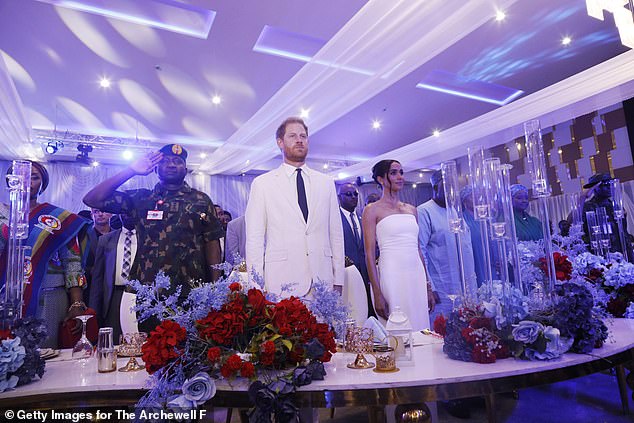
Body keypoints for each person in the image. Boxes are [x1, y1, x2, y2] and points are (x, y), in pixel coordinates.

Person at [82, 144, 224, 310]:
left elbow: (212, 243)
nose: (171, 164)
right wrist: (131, 170)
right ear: (155, 169)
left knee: (192, 337)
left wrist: (215, 288)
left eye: (177, 161)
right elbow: (92, 199)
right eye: (166, 161)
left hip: (192, 291)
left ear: (185, 170)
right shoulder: (141, 198)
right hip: (150, 292)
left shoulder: (201, 200)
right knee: (148, 337)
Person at [245, 117, 344, 297]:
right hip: (281, 282)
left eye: (303, 136)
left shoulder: (326, 182)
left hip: (323, 281)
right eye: (292, 136)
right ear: (280, 142)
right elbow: (254, 239)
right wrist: (256, 286)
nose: (299, 140)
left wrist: (338, 279)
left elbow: (336, 234)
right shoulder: (263, 184)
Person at [0, 161, 90, 348]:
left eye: (34, 177)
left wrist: (77, 303)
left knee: (45, 357)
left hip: (48, 297)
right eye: (21, 177)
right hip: (5, 297)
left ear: (43, 184)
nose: (27, 182)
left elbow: (72, 262)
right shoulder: (1, 214)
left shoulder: (58, 218)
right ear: (10, 181)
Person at [362, 160, 434, 330]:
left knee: (420, 327)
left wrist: (427, 286)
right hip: (392, 275)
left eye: (401, 172)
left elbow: (418, 249)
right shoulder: (372, 210)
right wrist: (377, 293)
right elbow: (369, 255)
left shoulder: (411, 210)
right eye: (393, 173)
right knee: (397, 330)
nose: (400, 177)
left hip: (415, 274)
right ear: (381, 179)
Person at [418, 170, 476, 324]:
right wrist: (430, 286)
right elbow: (420, 249)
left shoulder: (455, 211)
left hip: (465, 284)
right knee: (443, 331)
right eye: (446, 186)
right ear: (435, 188)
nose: (451, 190)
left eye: (454, 186)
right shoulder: (424, 211)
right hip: (442, 286)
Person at [89, 213, 138, 342]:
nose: (128, 215)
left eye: (131, 211)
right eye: (124, 212)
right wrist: (93, 312)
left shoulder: (149, 238)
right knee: (114, 341)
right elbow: (98, 279)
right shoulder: (106, 240)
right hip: (114, 296)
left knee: (139, 341)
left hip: (140, 296)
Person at [338, 183, 375, 318]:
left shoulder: (362, 218)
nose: (353, 197)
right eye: (348, 194)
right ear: (339, 197)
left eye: (355, 194)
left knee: (369, 314)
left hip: (366, 275)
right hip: (347, 277)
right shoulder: (335, 220)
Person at [580, 173, 633, 259]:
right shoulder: (588, 206)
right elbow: (575, 224)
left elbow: (623, 230)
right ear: (595, 188)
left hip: (624, 251)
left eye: (611, 184)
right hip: (604, 255)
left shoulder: (616, 206)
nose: (610, 187)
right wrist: (583, 197)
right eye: (605, 185)